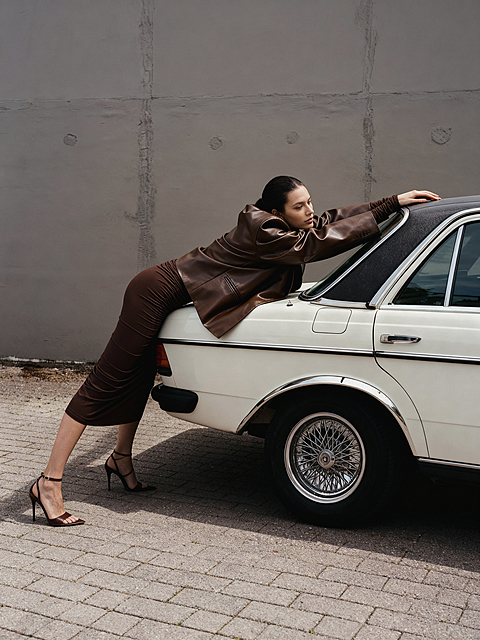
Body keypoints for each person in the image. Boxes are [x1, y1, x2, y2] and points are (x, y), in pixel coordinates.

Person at [28, 176, 440, 526]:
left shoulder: (286, 225)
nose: (310, 211)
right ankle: (49, 481)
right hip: (155, 291)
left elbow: (326, 222)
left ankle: (120, 460)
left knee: (139, 376)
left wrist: (392, 202)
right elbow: (317, 243)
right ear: (278, 212)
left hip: (177, 293)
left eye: (309, 202)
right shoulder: (264, 229)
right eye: (300, 206)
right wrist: (386, 208)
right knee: (108, 381)